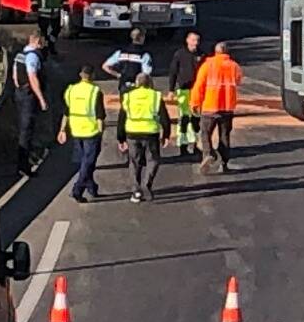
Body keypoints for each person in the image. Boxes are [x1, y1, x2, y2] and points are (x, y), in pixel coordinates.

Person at [189, 40, 244, 174]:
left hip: (210, 106)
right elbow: (238, 81)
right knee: (224, 136)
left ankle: (208, 154)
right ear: (227, 52)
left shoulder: (207, 66)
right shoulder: (234, 66)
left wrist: (194, 103)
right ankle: (224, 163)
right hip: (227, 107)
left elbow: (199, 86)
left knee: (205, 133)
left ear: (216, 52)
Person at [115, 70, 169, 203]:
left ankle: (136, 189)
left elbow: (122, 118)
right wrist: (166, 134)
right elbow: (164, 117)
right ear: (150, 83)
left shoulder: (128, 96)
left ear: (137, 83)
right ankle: (146, 185)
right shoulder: (155, 96)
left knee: (134, 162)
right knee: (153, 160)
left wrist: (120, 138)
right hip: (151, 133)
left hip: (132, 133)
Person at [56, 64, 106, 203]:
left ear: (80, 75)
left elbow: (66, 112)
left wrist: (62, 130)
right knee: (88, 161)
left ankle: (91, 187)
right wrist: (101, 132)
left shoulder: (71, 90)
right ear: (93, 76)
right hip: (91, 131)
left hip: (75, 130)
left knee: (85, 161)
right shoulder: (95, 91)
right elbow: (100, 115)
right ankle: (77, 190)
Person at [14, 30, 48, 176]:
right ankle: (24, 165)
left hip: (20, 93)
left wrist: (19, 88)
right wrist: (41, 99)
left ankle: (25, 161)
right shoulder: (33, 57)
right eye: (41, 42)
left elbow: (15, 75)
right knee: (27, 131)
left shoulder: (20, 55)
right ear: (37, 41)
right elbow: (33, 78)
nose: (42, 45)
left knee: (22, 128)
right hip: (29, 96)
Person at [167, 29, 204, 159]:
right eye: (193, 40)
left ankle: (194, 145)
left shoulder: (202, 55)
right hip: (183, 90)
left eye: (197, 41)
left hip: (197, 92)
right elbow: (173, 72)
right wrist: (171, 90)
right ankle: (182, 145)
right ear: (187, 40)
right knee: (184, 118)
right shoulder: (180, 54)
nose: (196, 43)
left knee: (196, 119)